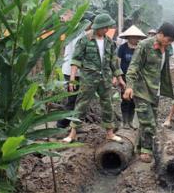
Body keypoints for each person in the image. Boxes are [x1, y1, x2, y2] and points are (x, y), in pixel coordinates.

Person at [63, 13, 125, 143]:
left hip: (105, 79)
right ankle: (72, 133)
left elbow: (114, 62)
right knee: (81, 105)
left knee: (107, 105)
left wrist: (119, 78)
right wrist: (73, 79)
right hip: (89, 79)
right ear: (97, 27)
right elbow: (75, 60)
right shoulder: (85, 40)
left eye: (108, 27)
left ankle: (110, 133)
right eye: (104, 27)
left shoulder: (109, 42)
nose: (106, 30)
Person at [123, 22, 174, 163]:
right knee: (149, 123)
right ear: (160, 34)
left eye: (172, 41)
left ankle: (139, 147)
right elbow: (133, 66)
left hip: (155, 91)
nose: (169, 43)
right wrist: (129, 86)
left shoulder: (165, 48)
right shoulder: (144, 46)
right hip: (142, 90)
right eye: (168, 39)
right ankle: (146, 151)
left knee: (150, 120)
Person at [57, 11, 95, 128]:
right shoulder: (79, 35)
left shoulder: (79, 32)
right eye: (91, 22)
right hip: (71, 72)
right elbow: (77, 55)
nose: (93, 25)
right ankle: (61, 125)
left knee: (76, 100)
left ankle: (70, 125)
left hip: (74, 71)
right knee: (72, 100)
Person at [117, 25, 147, 128]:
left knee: (134, 100)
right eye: (132, 37)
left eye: (136, 37)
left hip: (137, 79)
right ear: (128, 37)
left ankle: (130, 121)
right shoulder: (123, 48)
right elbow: (118, 62)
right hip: (125, 78)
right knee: (125, 99)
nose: (135, 39)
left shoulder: (141, 48)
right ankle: (125, 122)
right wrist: (118, 77)